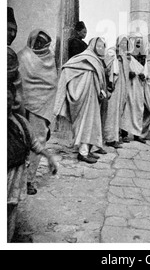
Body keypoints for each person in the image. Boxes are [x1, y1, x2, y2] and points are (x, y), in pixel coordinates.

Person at [7, 83, 58, 242]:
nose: (5, 102)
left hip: (15, 178)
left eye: (8, 98)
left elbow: (34, 143)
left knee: (10, 212)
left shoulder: (20, 122)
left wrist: (49, 156)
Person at [54, 37, 108, 163]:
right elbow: (67, 69)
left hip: (93, 98)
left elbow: (98, 80)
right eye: (98, 46)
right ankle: (82, 153)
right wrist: (75, 90)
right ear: (93, 46)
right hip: (83, 99)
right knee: (85, 124)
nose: (101, 49)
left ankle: (87, 150)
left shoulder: (97, 60)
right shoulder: (84, 58)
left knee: (92, 124)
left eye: (103, 46)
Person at [17, 29, 58, 195]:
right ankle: (15, 179)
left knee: (38, 142)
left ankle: (29, 180)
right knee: (18, 142)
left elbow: (51, 84)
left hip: (40, 109)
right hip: (19, 106)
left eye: (43, 42)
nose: (40, 44)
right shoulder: (22, 56)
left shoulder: (50, 59)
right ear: (31, 40)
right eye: (37, 41)